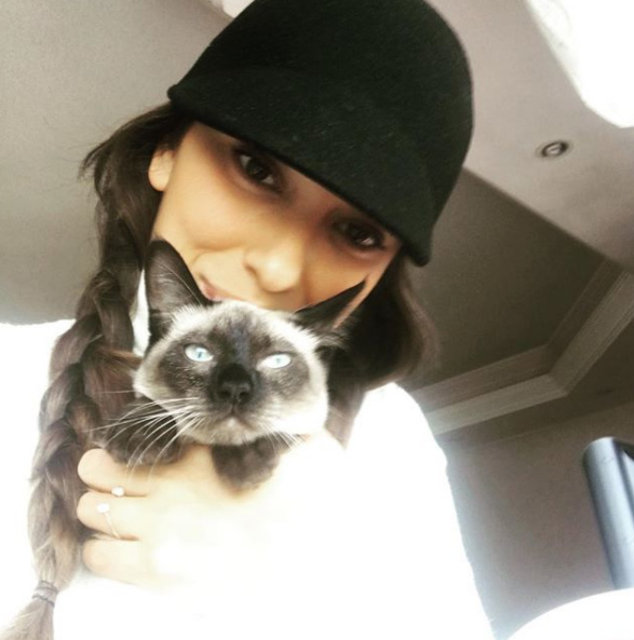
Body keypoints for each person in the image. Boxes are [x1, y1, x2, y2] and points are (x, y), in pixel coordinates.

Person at [1, 0, 494, 638]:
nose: (281, 267)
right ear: (166, 151)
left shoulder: (391, 438)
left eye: (357, 233)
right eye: (257, 170)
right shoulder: (8, 373)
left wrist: (302, 588)